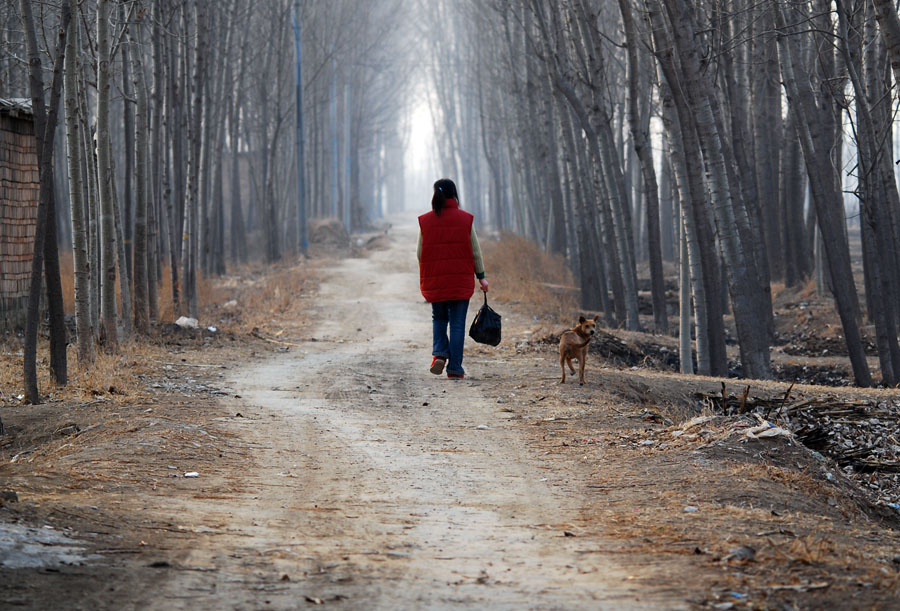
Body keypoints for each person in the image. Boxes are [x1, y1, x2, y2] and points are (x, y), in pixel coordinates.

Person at [417, 178, 489, 380]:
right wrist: (481, 277)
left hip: (436, 281)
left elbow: (420, 253)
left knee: (439, 318)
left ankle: (440, 352)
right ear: (454, 194)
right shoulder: (465, 219)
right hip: (461, 281)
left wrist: (431, 269)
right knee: (457, 324)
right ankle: (455, 368)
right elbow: (475, 252)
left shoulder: (426, 220)